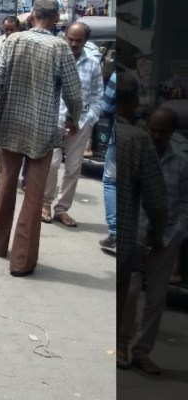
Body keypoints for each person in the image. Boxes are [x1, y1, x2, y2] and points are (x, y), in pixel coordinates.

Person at [0, 0, 82, 277]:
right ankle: (21, 262)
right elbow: (73, 93)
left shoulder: (12, 42)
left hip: (9, 125)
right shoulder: (61, 49)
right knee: (34, 196)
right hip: (43, 131)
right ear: (56, 18)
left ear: (32, 15)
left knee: (6, 184)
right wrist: (73, 119)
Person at [118, 107, 188, 375]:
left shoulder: (181, 163)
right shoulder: (138, 153)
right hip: (135, 238)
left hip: (165, 241)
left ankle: (142, 352)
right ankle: (121, 344)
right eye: (153, 130)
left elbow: (184, 207)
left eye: (163, 132)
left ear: (172, 133)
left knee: (156, 300)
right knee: (130, 293)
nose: (157, 136)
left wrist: (170, 237)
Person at [113, 76, 167, 370]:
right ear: (133, 102)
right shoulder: (138, 139)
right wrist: (156, 236)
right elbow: (157, 201)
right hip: (124, 245)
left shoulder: (113, 135)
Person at [41, 21, 104, 226]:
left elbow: (97, 96)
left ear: (85, 41)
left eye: (78, 41)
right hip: (54, 121)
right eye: (70, 39)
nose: (73, 44)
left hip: (81, 123)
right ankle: (45, 203)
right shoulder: (54, 60)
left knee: (73, 169)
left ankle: (62, 209)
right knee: (51, 164)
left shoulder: (93, 64)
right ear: (64, 37)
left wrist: (89, 120)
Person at [100, 71, 118, 251]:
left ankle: (115, 233)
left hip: (119, 138)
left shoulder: (116, 77)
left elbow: (105, 107)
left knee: (111, 182)